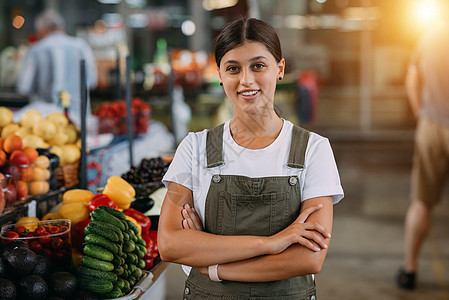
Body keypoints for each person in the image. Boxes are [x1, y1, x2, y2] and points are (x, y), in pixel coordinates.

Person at [158, 18, 344, 299]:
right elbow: (171, 245)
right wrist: (271, 244)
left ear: (279, 69)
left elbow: (308, 259)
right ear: (219, 74)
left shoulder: (313, 150)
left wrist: (213, 266)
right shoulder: (193, 148)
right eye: (233, 68)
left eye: (258, 66)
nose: (246, 80)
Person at [397, 21, 449, 290]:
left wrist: (422, 116)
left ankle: (409, 270)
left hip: (432, 126)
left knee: (421, 202)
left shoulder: (430, 35)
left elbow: (412, 78)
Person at [16, 9, 97, 121]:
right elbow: (92, 82)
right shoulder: (82, 47)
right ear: (61, 26)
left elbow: (23, 87)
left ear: (41, 29)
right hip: (79, 119)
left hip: (44, 121)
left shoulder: (35, 50)